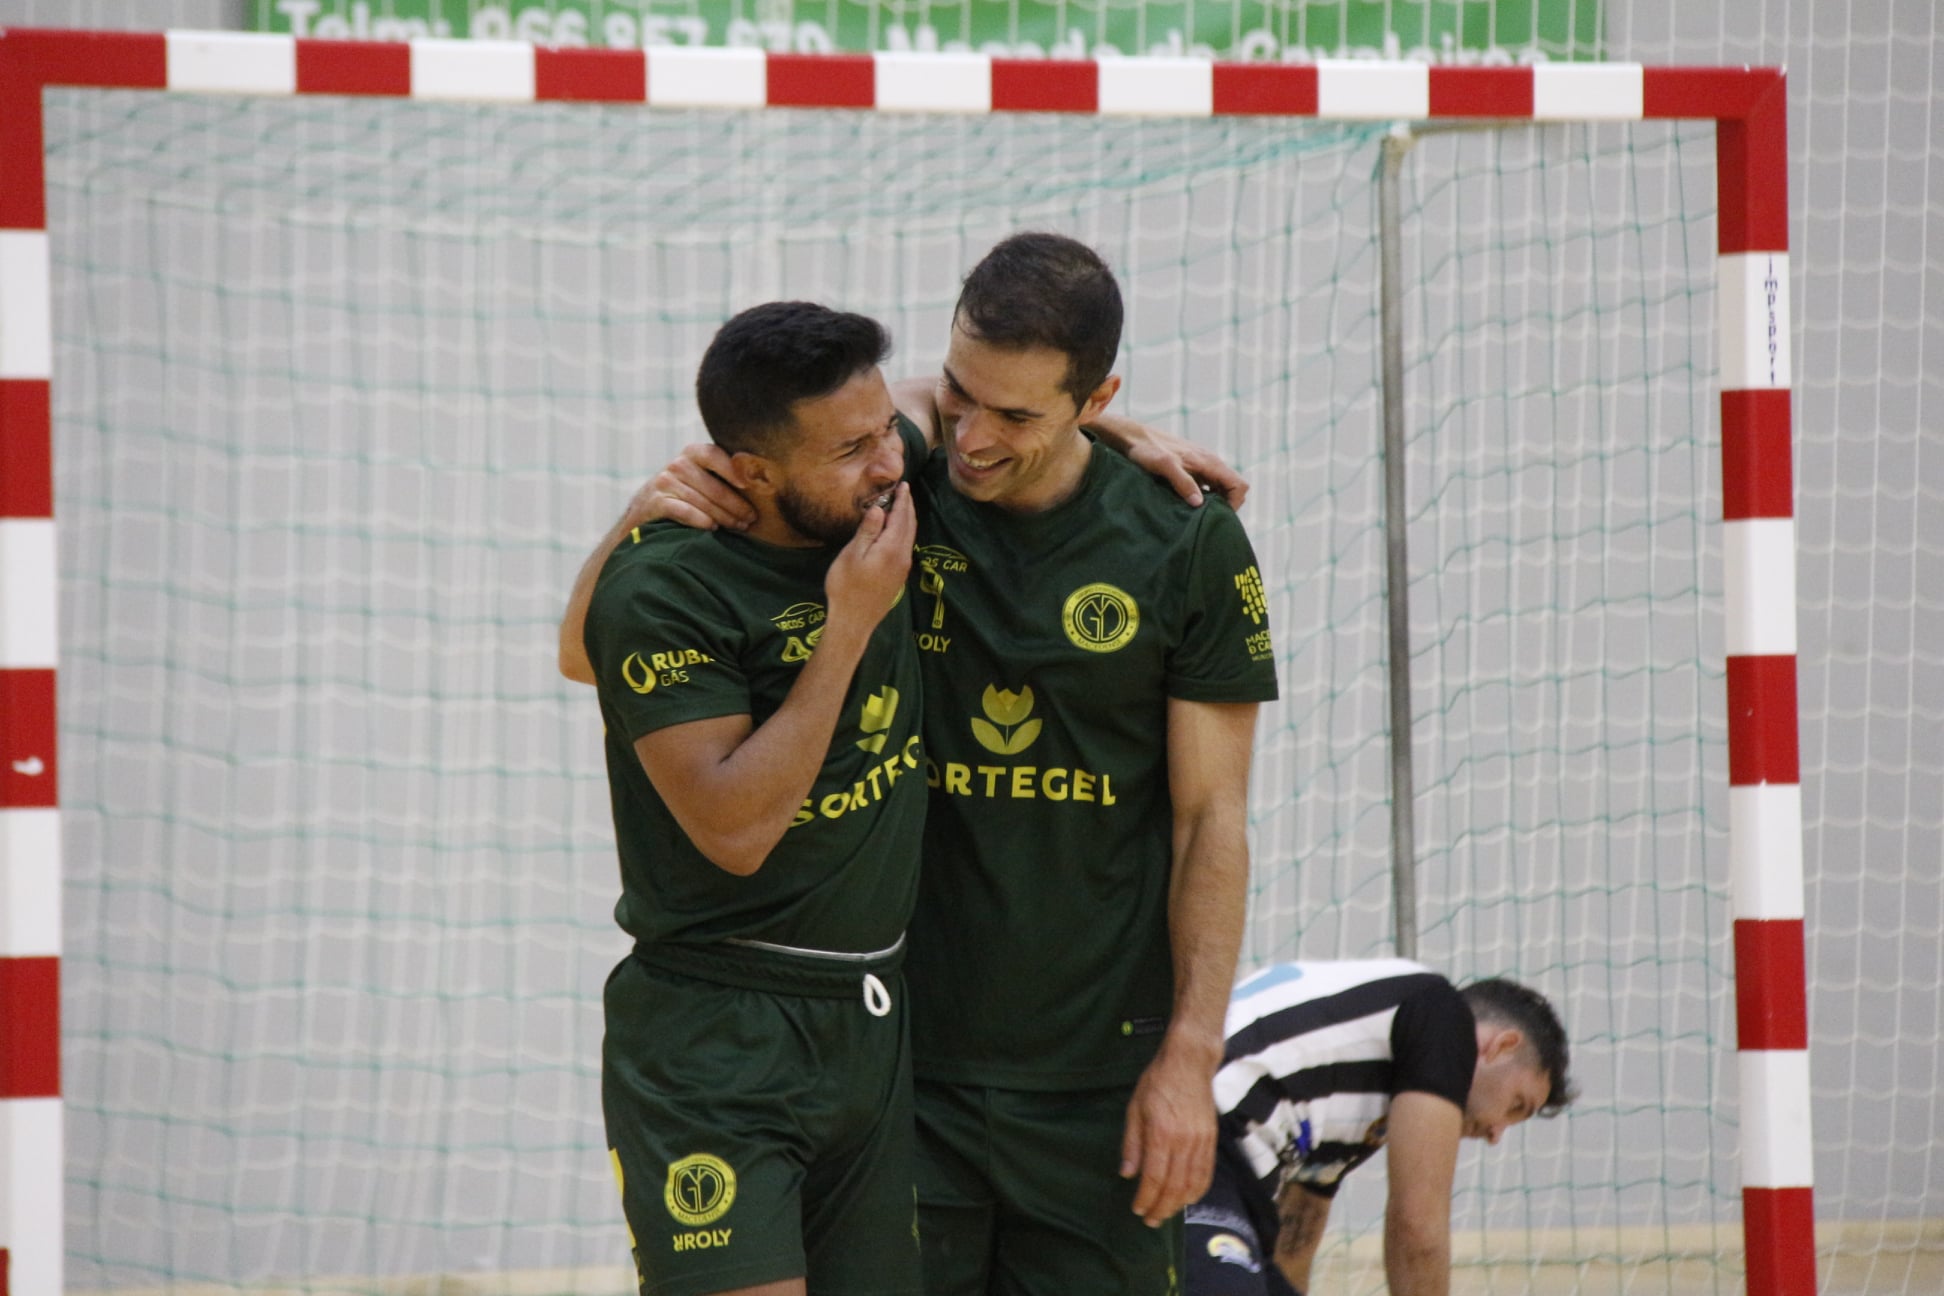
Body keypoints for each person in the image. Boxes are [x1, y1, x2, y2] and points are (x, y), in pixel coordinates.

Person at [561, 232, 1277, 1294]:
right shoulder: (891, 487)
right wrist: (634, 513)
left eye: (1021, 415)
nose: (971, 439)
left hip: (1092, 1078)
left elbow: (1212, 823)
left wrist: (1190, 1053)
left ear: (1096, 396)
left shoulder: (1183, 541)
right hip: (900, 1064)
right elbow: (591, 651)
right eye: (960, 396)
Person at [580, 300, 924, 1296]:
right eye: (852, 447)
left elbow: (970, 403)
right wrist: (848, 625)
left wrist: (1117, 424)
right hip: (717, 1033)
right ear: (754, 470)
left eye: (884, 428)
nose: (889, 461)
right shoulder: (666, 587)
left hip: (871, 1017)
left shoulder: (882, 489)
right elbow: (735, 828)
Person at [1187, 961, 1575, 1296]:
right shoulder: (1442, 1015)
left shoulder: (1363, 1082)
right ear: (1502, 1046)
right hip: (1197, 1131)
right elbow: (1418, 1228)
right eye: (1516, 1106)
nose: (1496, 1134)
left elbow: (1296, 1235)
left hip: (1218, 1165)